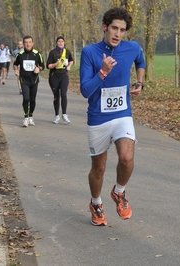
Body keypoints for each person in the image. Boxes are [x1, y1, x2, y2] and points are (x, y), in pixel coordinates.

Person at [80, 7, 145, 226]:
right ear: (105, 28)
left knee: (126, 157)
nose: (118, 34)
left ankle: (119, 192)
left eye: (123, 30)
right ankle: (96, 203)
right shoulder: (90, 52)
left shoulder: (132, 47)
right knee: (98, 167)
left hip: (122, 113)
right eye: (114, 28)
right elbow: (85, 91)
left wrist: (139, 82)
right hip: (98, 117)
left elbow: (140, 59)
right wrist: (103, 72)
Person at [13, 35, 44, 127]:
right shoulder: (20, 54)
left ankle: (31, 116)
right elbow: (15, 64)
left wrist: (39, 69)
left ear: (32, 43)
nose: (28, 44)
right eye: (26, 42)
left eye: (29, 42)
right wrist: (16, 70)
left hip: (34, 80)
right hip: (24, 80)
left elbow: (42, 65)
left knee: (32, 100)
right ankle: (26, 117)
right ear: (23, 44)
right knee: (26, 99)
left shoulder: (37, 54)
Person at [46, 36, 74, 124]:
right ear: (56, 43)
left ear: (64, 42)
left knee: (64, 94)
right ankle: (56, 115)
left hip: (64, 76)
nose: (61, 43)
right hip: (54, 76)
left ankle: (64, 114)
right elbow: (48, 66)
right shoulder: (52, 53)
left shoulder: (67, 52)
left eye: (62, 41)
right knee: (56, 96)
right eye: (59, 41)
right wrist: (55, 64)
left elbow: (71, 61)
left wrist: (69, 66)